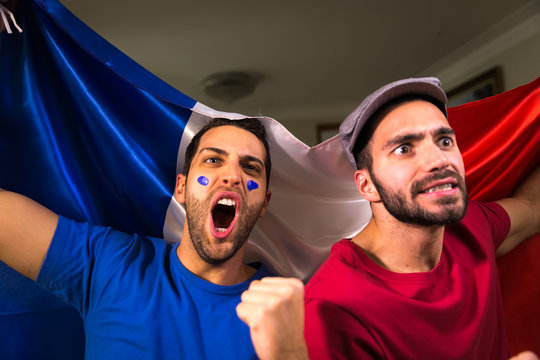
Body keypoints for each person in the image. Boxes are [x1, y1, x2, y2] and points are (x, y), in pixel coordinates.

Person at [0, 117, 301, 360]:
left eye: (250, 167)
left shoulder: (288, 311)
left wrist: (289, 354)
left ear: (263, 203)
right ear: (181, 188)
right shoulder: (111, 264)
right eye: (213, 160)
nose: (233, 175)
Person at [303, 78, 540, 359]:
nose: (438, 159)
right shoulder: (331, 305)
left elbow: (532, 206)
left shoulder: (471, 225)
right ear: (368, 185)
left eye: (444, 141)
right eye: (404, 148)